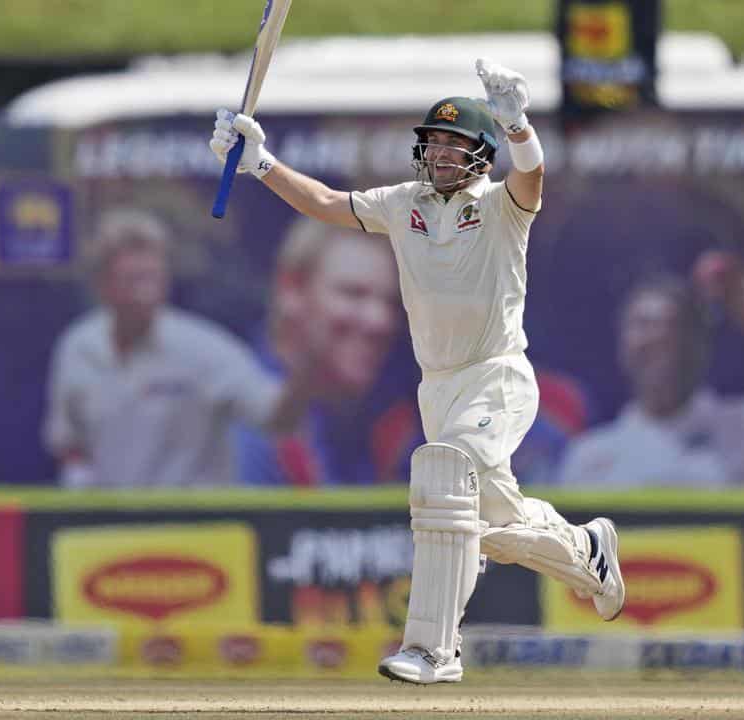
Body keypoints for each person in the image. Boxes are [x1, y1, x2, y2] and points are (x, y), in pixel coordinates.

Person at [210, 58, 625, 684]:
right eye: (432, 142)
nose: (440, 155)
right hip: (440, 385)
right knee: (489, 522)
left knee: (442, 480)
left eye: (455, 145)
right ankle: (587, 552)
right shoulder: (402, 203)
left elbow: (534, 177)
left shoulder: (499, 207)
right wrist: (258, 163)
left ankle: (434, 650)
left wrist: (518, 127)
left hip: (496, 376)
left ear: (482, 155)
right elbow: (324, 202)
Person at [43, 207, 317, 488]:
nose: (146, 293)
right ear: (103, 285)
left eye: (153, 277)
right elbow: (69, 445)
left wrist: (306, 373)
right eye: (134, 279)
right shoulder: (78, 348)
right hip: (111, 525)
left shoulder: (203, 350)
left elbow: (275, 418)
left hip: (193, 525)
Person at [558, 256, 744, 487]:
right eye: (644, 324)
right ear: (621, 343)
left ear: (704, 345)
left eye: (677, 325)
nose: (660, 336)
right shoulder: (590, 461)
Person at [233, 216, 411, 486]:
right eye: (353, 294)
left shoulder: (387, 419)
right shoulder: (235, 418)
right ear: (291, 289)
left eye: (391, 302)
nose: (380, 321)